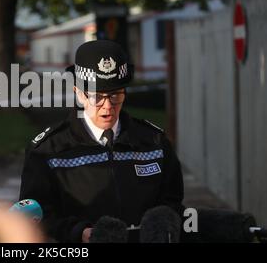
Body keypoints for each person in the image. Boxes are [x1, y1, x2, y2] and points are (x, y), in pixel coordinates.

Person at [19, 40, 184, 243]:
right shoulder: (47, 152)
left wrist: (164, 225)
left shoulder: (155, 142)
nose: (107, 106)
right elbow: (36, 216)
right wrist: (79, 233)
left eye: (115, 95)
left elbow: (173, 201)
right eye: (97, 96)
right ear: (78, 93)